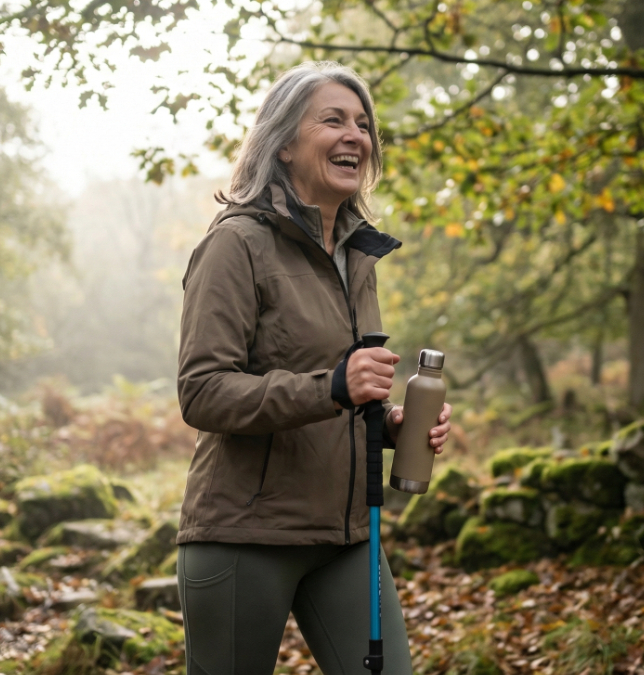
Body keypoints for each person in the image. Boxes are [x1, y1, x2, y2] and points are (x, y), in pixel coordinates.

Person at [176, 61, 453, 675]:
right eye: (333, 120)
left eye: (363, 123)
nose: (356, 134)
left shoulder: (357, 254)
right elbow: (202, 392)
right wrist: (332, 385)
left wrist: (392, 429)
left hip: (349, 537)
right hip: (246, 535)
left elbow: (347, 399)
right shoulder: (235, 244)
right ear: (282, 145)